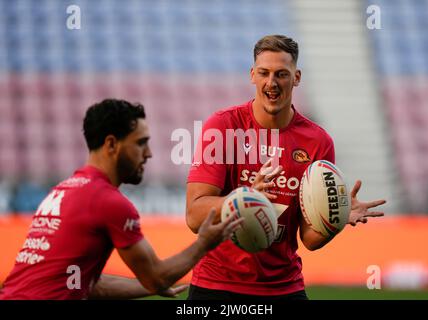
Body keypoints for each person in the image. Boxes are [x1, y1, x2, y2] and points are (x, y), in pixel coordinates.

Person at [185, 35, 386, 300]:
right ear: (252, 75)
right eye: (263, 73)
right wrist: (244, 198)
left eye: (281, 74)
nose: (272, 83)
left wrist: (335, 218)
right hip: (217, 285)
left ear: (297, 77)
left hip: (283, 288)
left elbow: (309, 240)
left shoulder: (318, 141)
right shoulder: (223, 127)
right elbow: (194, 217)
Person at [0, 99, 242, 300]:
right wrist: (204, 243)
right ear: (112, 144)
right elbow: (156, 275)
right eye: (140, 143)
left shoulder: (64, 190)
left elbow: (83, 282)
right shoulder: (107, 201)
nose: (148, 153)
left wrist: (147, 286)